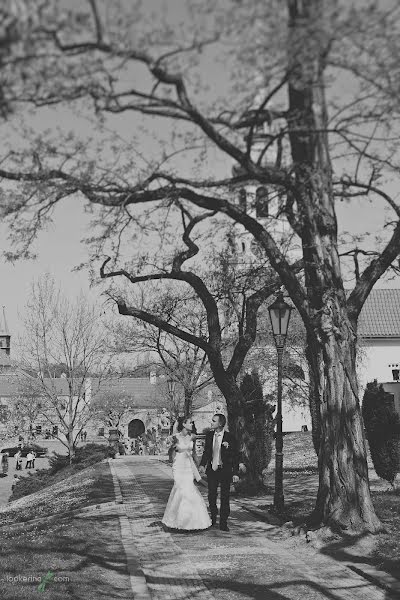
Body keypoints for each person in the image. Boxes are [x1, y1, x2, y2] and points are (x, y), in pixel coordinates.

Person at [162, 416, 211, 531]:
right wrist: (172, 447)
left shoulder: (192, 437)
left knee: (189, 489)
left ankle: (191, 521)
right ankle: (176, 520)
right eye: (190, 423)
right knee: (180, 489)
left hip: (188, 466)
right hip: (178, 466)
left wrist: (199, 466)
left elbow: (194, 453)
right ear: (183, 424)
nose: (192, 425)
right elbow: (170, 456)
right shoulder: (174, 437)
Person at [199, 414, 239, 532]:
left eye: (213, 421)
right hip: (212, 470)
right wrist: (202, 464)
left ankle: (223, 522)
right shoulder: (210, 435)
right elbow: (207, 452)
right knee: (211, 495)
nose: (211, 423)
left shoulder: (230, 437)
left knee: (225, 497)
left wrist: (235, 473)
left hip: (225, 470)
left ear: (220, 424)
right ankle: (213, 518)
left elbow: (235, 456)